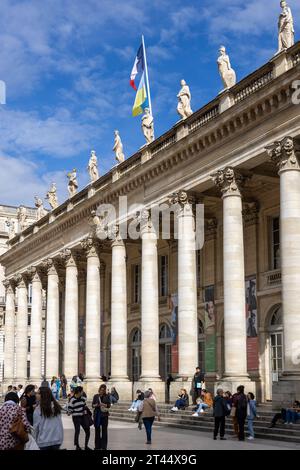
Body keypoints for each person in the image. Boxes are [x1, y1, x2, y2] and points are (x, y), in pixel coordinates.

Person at [68, 386, 91, 451]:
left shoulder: (83, 398)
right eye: (82, 391)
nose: (83, 392)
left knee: (87, 430)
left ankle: (86, 446)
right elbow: (70, 409)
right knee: (77, 431)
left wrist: (85, 411)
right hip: (76, 417)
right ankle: (77, 446)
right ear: (78, 392)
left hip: (82, 416)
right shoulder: (72, 399)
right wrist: (69, 412)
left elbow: (84, 406)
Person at [92, 384, 111, 450]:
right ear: (99, 389)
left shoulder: (107, 396)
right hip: (97, 415)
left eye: (103, 390)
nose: (102, 391)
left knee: (104, 431)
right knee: (97, 431)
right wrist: (97, 405)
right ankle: (97, 446)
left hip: (104, 415)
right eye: (101, 390)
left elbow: (109, 405)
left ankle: (104, 446)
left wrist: (104, 404)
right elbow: (93, 405)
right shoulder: (96, 396)